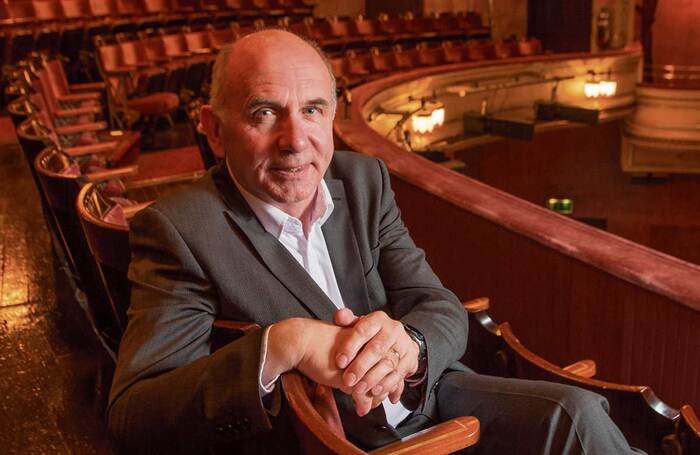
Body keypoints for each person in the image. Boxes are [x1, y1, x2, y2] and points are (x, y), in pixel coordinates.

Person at [107, 29, 639, 454]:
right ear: (214, 129)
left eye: (313, 110)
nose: (295, 140)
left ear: (334, 117)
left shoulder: (364, 181)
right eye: (264, 112)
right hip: (330, 439)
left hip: (431, 400)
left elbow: (439, 306)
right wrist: (282, 345)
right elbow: (136, 414)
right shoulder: (180, 229)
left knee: (578, 413)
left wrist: (411, 346)